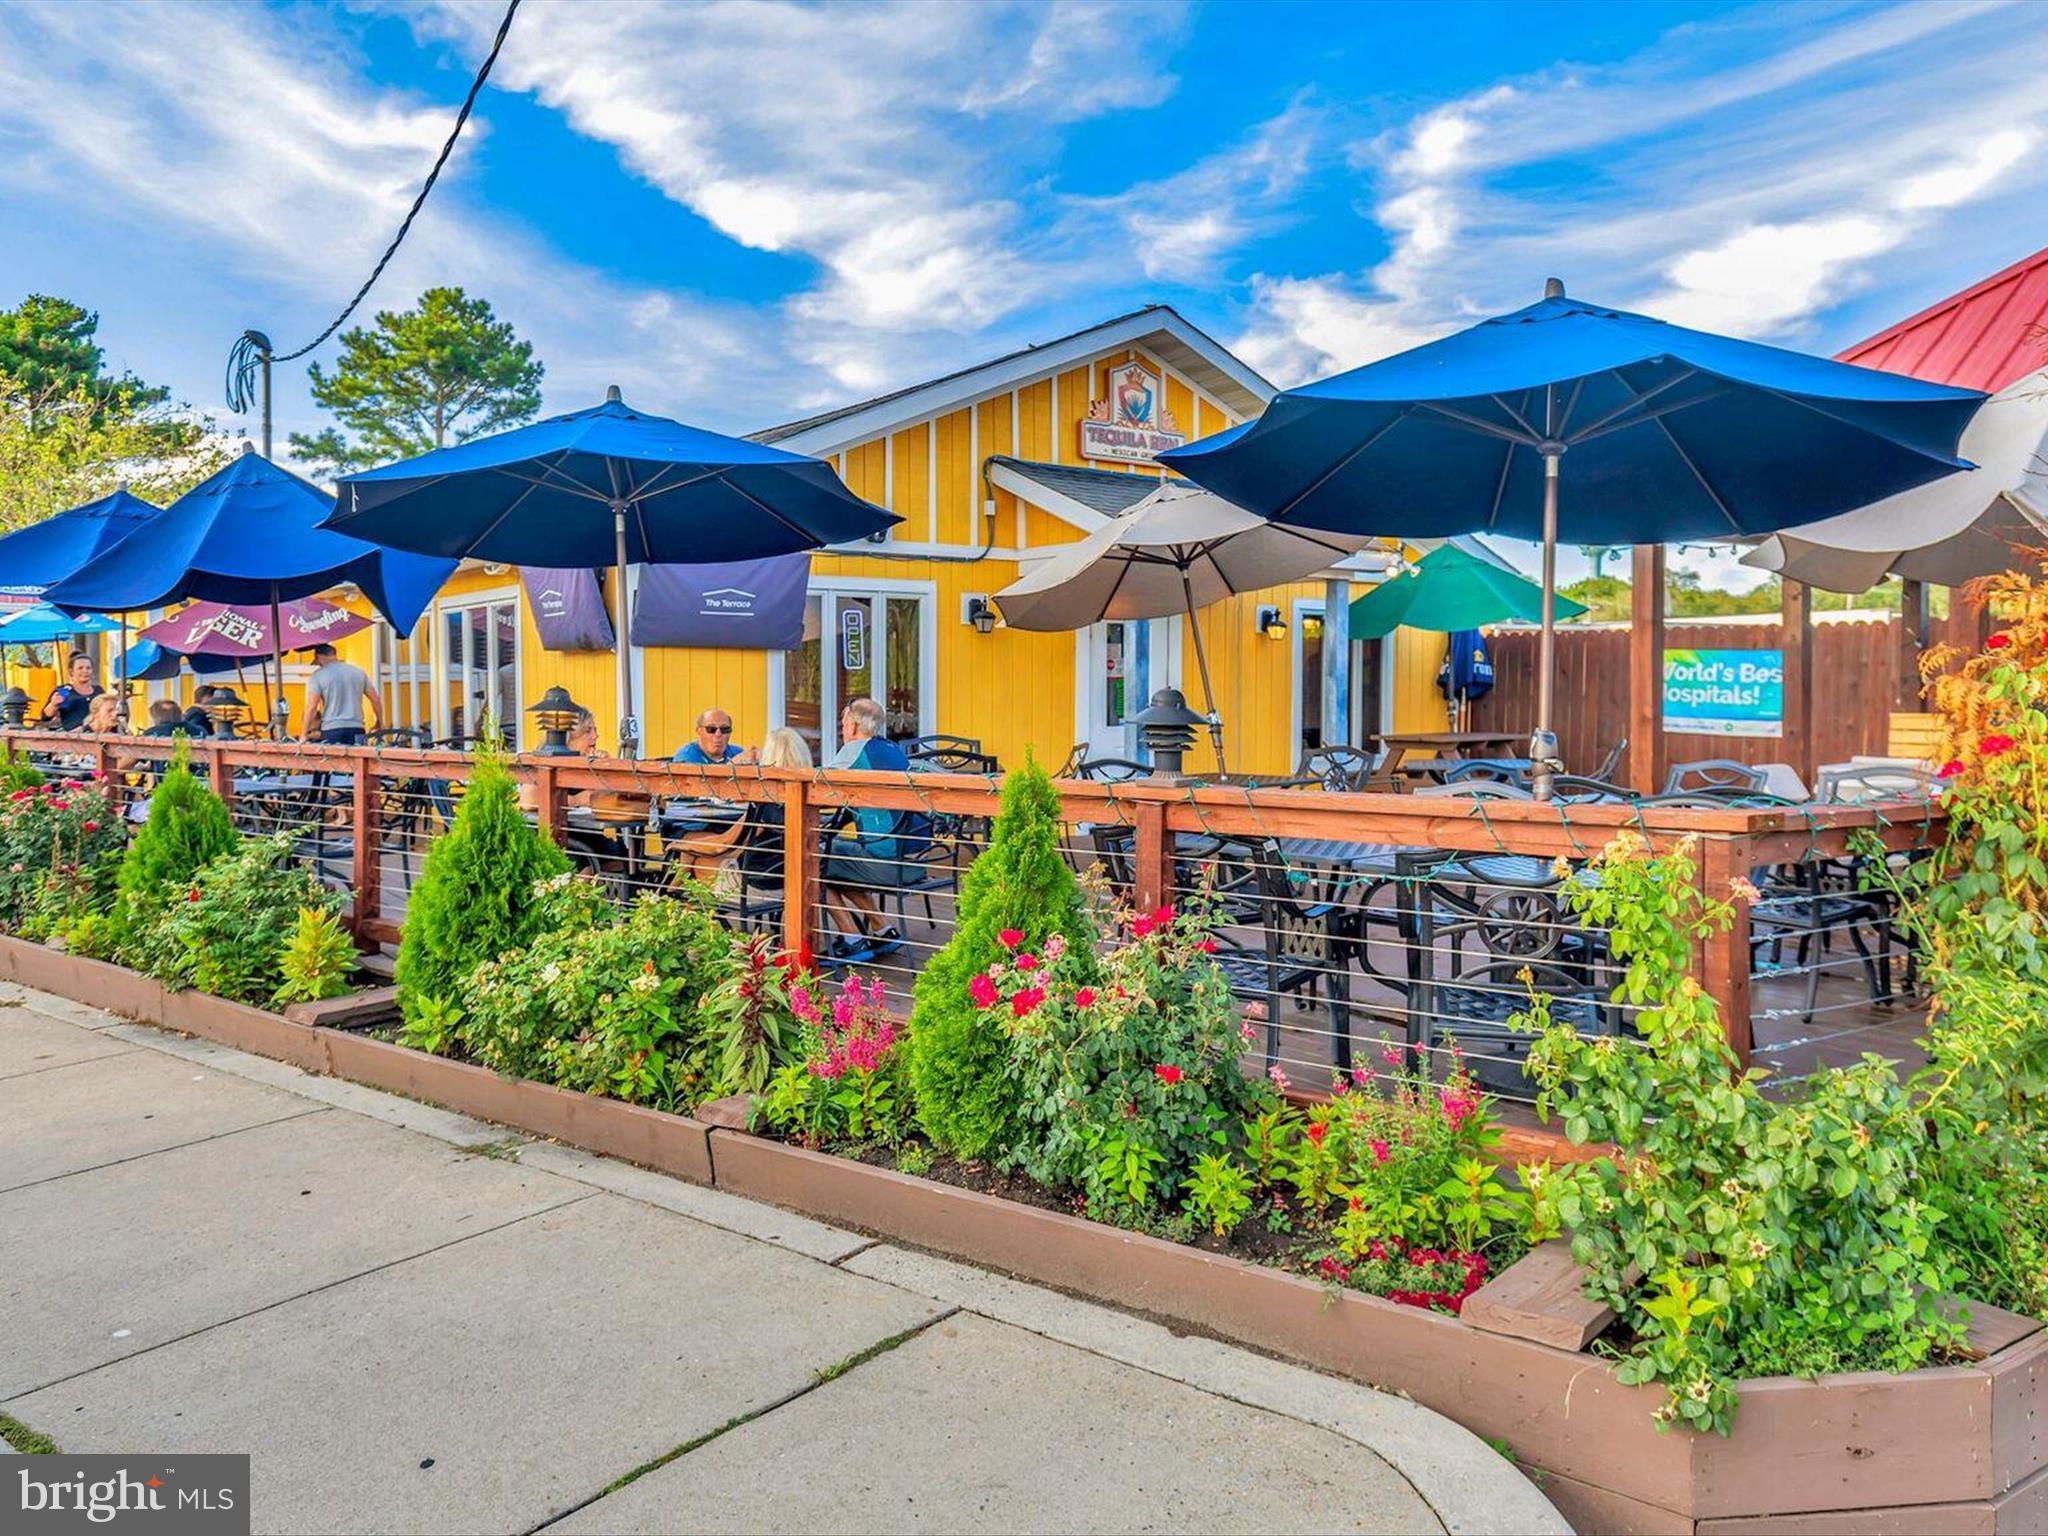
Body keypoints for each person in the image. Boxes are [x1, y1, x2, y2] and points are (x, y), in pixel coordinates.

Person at [820, 696, 930, 962]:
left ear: (855, 726)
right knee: (833, 858)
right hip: (917, 859)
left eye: (844, 724)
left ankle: (852, 939)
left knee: (812, 860)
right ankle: (881, 930)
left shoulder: (855, 749)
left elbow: (818, 784)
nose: (842, 730)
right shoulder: (890, 748)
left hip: (887, 862)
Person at [303, 642, 381, 746]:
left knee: (333, 762)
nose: (318, 665)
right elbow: (375, 700)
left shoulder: (317, 676)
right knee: (358, 761)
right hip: (357, 729)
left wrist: (303, 734)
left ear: (319, 657)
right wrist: (379, 722)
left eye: (317, 662)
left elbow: (312, 707)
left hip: (331, 730)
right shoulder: (359, 672)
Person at [38, 652, 103, 731]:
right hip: (72, 736)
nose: (85, 671)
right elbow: (45, 717)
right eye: (80, 668)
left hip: (97, 734)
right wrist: (53, 704)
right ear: (71, 671)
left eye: (88, 668)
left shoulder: (98, 690)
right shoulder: (64, 690)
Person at [674, 708, 756, 766]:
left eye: (724, 729)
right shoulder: (686, 756)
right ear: (699, 731)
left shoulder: (736, 752)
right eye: (711, 729)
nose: (718, 734)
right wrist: (733, 765)